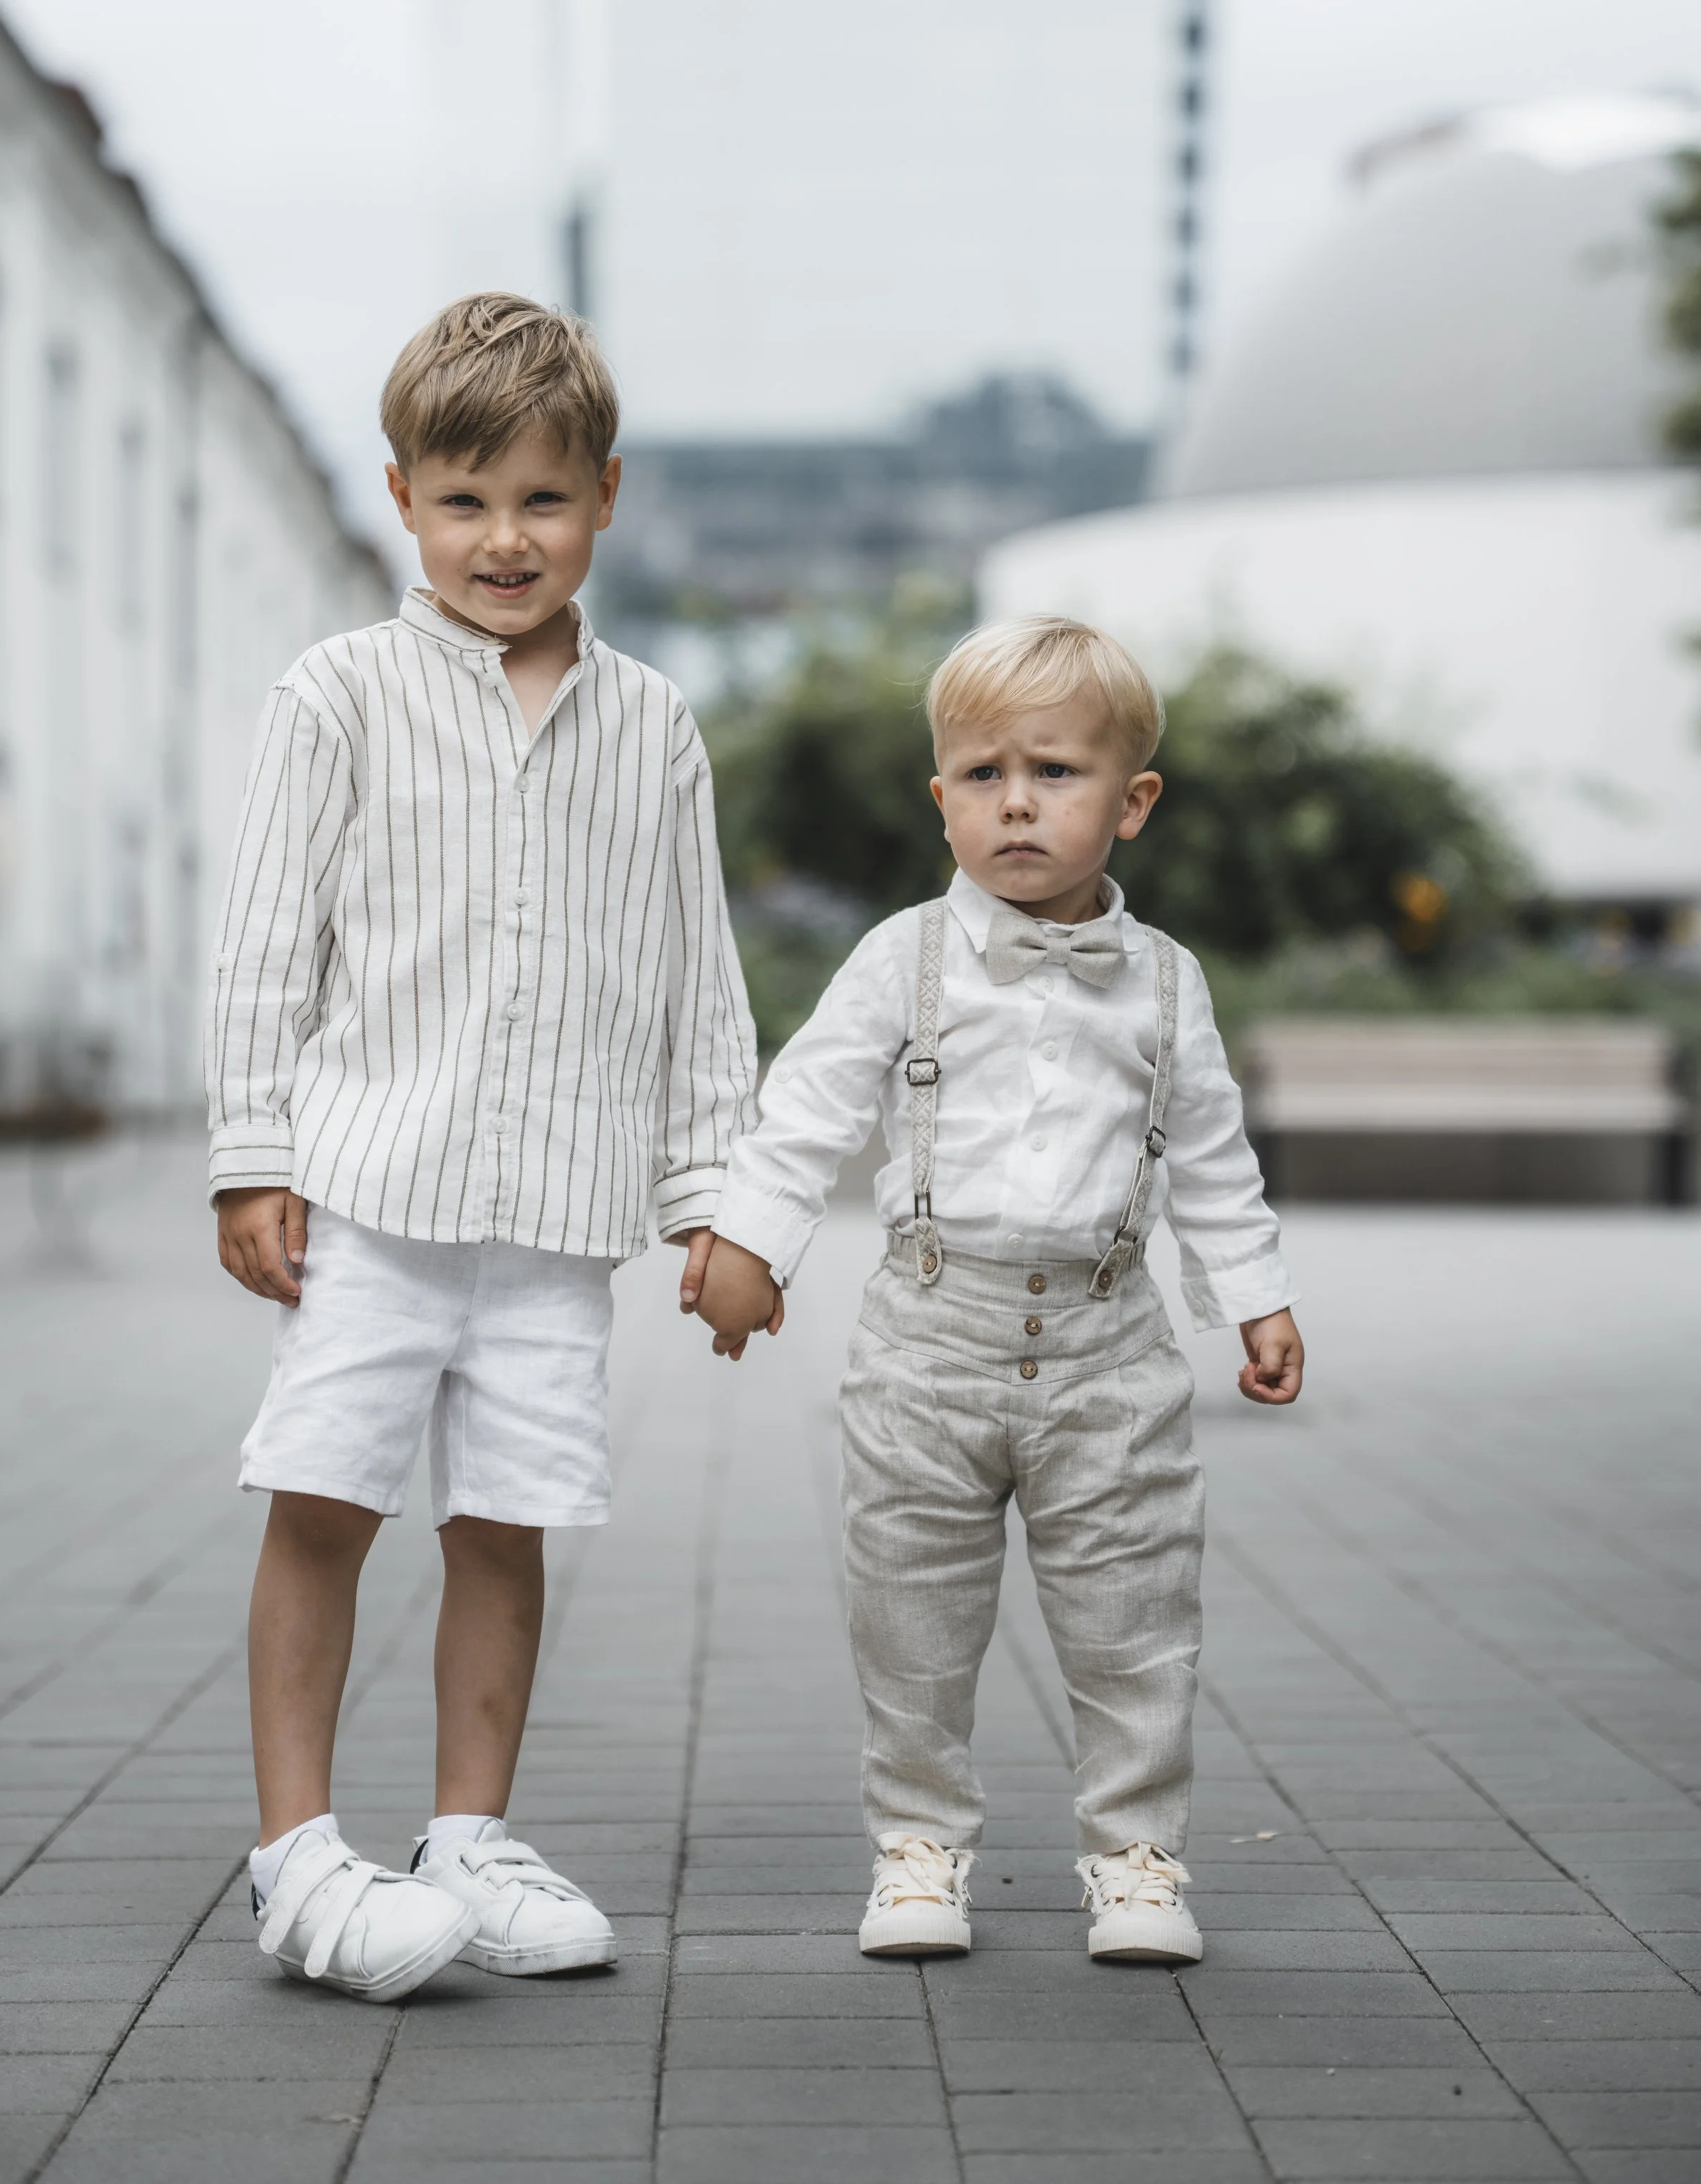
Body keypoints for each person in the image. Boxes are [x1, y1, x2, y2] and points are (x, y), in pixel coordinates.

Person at [206, 293, 761, 2001]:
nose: (502, 538)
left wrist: (716, 1204)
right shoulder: (341, 695)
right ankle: (297, 1855)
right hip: (372, 1193)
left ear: (605, 494)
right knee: (322, 1505)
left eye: (539, 497)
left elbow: (695, 974)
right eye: (464, 498)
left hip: (553, 1215)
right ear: (400, 496)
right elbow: (261, 941)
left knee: (505, 1522)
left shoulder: (652, 724)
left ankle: (468, 1836)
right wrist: (251, 1150)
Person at [688, 615, 1303, 1964]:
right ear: (942, 799)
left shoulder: (1165, 982)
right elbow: (805, 1110)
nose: (1016, 800)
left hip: (1108, 1345)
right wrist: (750, 1243)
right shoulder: (900, 958)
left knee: (1135, 1612)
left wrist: (1252, 1295)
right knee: (911, 1611)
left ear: (1132, 801)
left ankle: (1137, 1856)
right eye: (981, 774)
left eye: (1056, 772)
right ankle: (919, 1846)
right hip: (926, 1338)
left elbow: (1209, 1150)